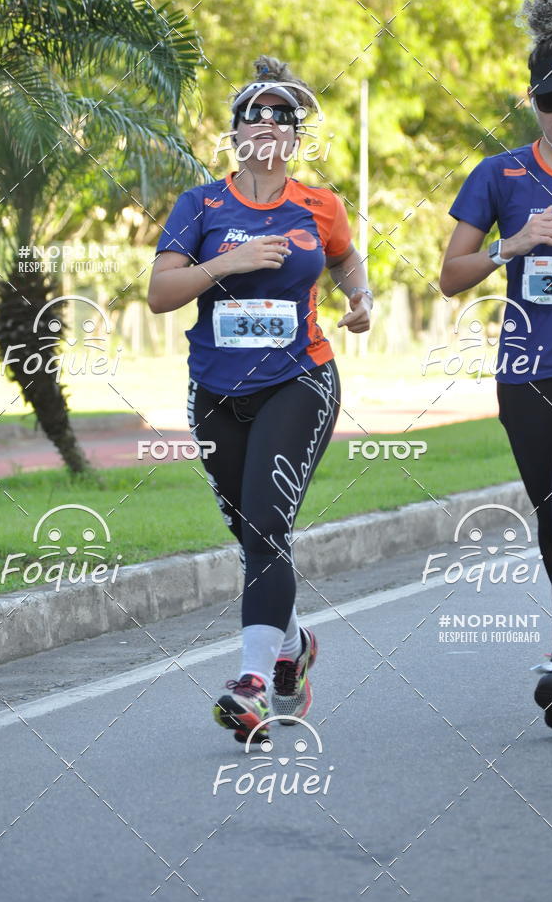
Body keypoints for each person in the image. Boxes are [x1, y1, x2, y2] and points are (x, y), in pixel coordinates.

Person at [147, 55, 372, 742]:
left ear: (295, 137)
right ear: (236, 133)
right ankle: (293, 642)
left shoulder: (320, 203)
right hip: (216, 392)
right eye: (255, 113)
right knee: (253, 538)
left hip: (299, 379)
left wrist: (358, 299)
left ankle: (249, 683)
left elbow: (343, 256)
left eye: (282, 115)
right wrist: (228, 263)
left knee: (269, 526)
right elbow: (160, 293)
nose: (267, 123)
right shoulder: (201, 205)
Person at [441, 0, 552, 731]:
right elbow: (450, 275)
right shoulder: (499, 175)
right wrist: (511, 244)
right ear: (533, 101)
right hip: (526, 369)